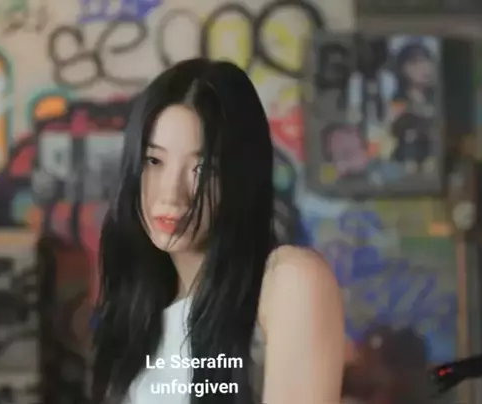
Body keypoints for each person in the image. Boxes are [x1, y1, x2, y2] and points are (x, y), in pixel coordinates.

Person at [90, 58, 345, 404]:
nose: (171, 194)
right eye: (154, 161)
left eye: (202, 168)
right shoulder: (139, 307)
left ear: (241, 175)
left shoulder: (286, 281)